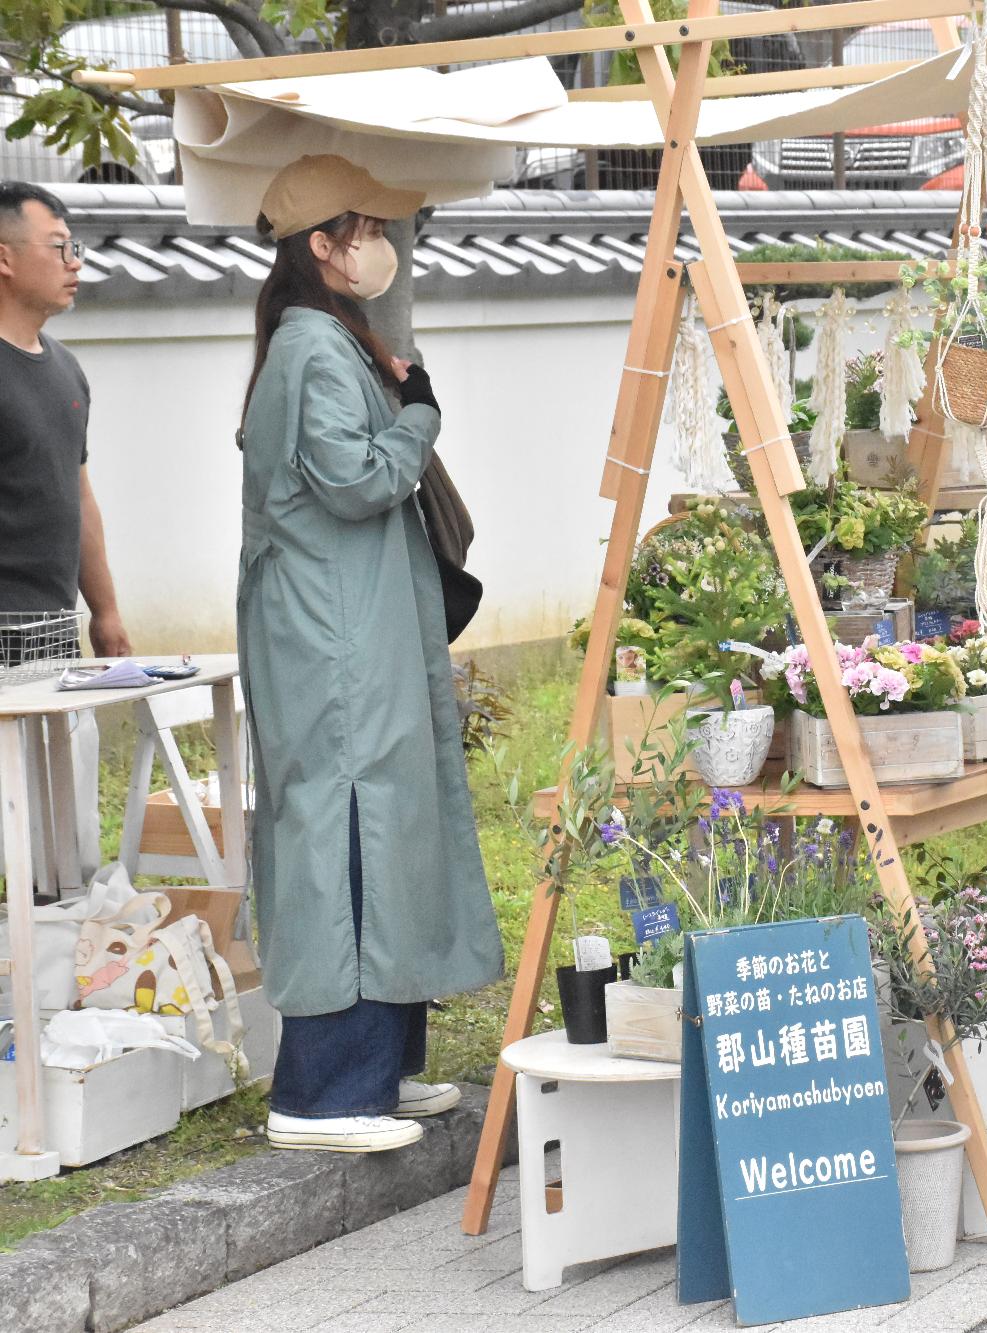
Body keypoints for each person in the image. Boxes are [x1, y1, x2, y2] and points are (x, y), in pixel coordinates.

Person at [237, 156, 502, 1153]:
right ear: (323, 245)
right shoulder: (312, 348)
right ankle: (319, 1095)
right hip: (332, 641)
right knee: (346, 840)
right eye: (364, 229)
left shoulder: (319, 341)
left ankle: (378, 1072)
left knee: (381, 832)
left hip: (350, 631)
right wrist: (423, 413)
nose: (379, 246)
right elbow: (352, 481)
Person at [0, 180, 130, 885]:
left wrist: (105, 610)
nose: (76, 261)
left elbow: (77, 493)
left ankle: (52, 969)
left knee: (65, 843)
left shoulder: (67, 369)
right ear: (5, 259)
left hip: (55, 635)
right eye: (60, 247)